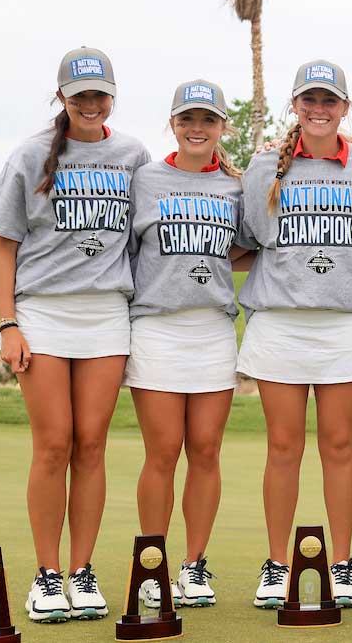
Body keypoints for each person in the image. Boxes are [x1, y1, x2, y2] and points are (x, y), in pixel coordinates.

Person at [0, 46, 150, 622]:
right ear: (62, 98)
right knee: (54, 444)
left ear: (111, 97)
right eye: (79, 96)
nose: (90, 104)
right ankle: (47, 575)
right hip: (44, 315)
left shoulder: (132, 154)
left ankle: (82, 570)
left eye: (100, 94)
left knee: (93, 445)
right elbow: (5, 244)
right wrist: (9, 325)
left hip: (106, 315)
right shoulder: (30, 154)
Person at [239, 60, 352, 609]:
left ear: (345, 108)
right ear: (295, 106)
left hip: (344, 324)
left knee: (339, 446)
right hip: (279, 322)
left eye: (330, 101)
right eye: (310, 100)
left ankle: (342, 563)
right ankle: (278, 564)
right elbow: (252, 237)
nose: (319, 109)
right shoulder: (263, 168)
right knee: (283, 447)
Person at [126, 80, 249, 609]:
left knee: (206, 450)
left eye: (208, 120)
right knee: (162, 452)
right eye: (187, 119)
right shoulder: (145, 179)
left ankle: (194, 566)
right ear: (172, 124)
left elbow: (247, 247)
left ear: (223, 127)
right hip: (156, 327)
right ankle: (151, 565)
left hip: (213, 330)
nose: (197, 129)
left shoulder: (237, 185)